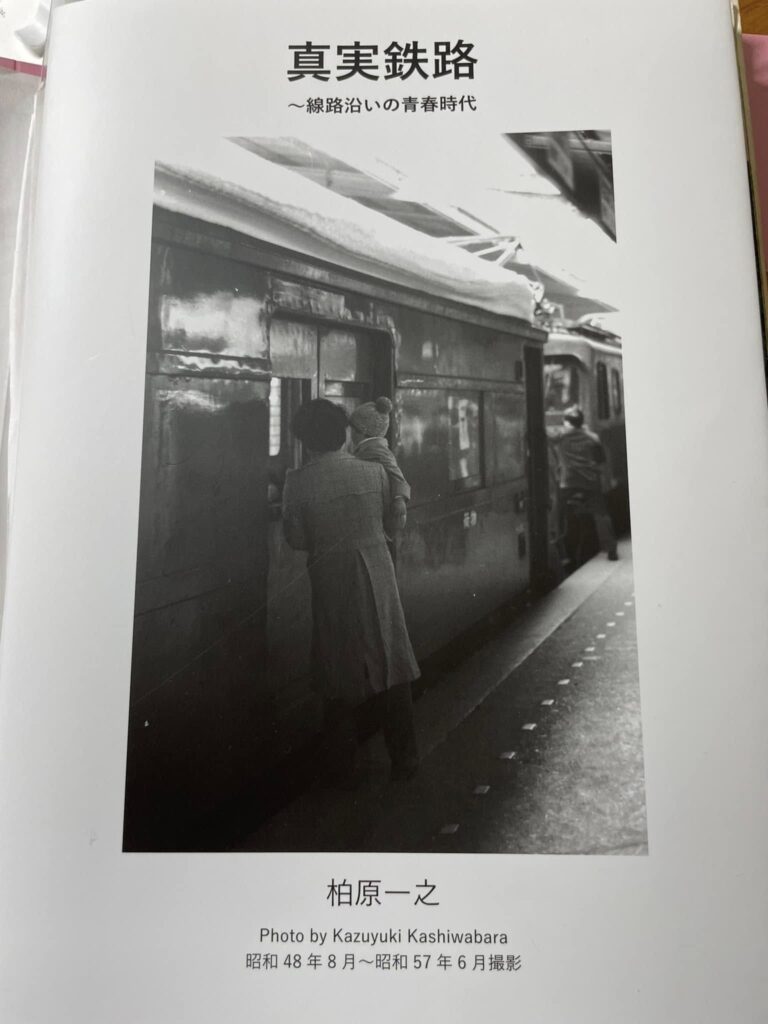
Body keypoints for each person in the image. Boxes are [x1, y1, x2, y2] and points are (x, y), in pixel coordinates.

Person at [281, 398, 420, 784]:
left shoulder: (297, 482)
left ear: (305, 440)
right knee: (391, 663)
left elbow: (296, 539)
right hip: (378, 576)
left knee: (335, 670)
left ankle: (344, 769)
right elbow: (392, 522)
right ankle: (405, 760)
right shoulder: (374, 472)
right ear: (343, 434)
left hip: (331, 581)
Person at [550, 405, 618, 562]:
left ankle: (555, 539)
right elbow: (601, 460)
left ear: (567, 422)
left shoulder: (560, 436)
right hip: (591, 482)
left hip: (569, 482)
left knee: (557, 508)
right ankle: (611, 549)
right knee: (601, 514)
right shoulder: (593, 437)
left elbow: (545, 435)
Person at [349, 396, 410, 532]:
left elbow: (396, 474)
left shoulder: (376, 450)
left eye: (352, 429)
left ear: (361, 431)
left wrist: (399, 498)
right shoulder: (375, 448)